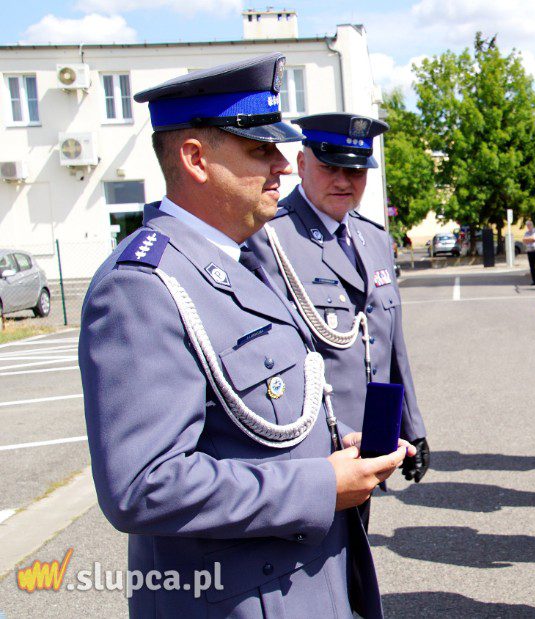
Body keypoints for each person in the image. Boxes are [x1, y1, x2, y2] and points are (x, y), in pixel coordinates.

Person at [78, 53, 414, 618]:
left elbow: (248, 427)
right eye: (261, 150)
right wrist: (317, 485)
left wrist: (331, 450)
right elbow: (143, 485)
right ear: (195, 159)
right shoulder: (143, 287)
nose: (283, 166)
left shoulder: (230, 261)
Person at [246, 113, 430, 493]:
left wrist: (411, 426)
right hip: (314, 445)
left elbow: (391, 343)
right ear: (301, 164)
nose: (344, 181)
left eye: (357, 170)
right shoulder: (269, 238)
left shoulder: (373, 237)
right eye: (330, 167)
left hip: (373, 431)